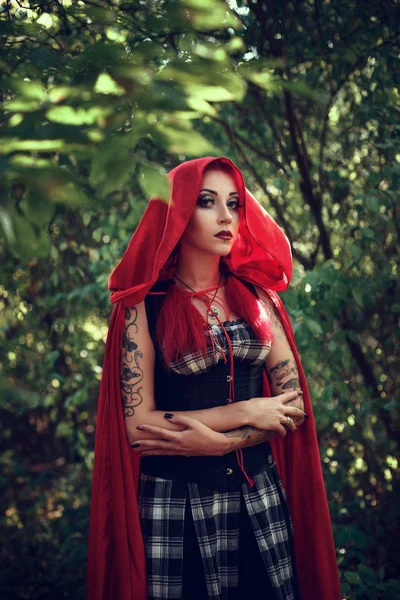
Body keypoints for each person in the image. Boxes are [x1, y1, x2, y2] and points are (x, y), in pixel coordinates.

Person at [87, 157, 341, 600]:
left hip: (258, 499)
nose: (227, 216)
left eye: (234, 203)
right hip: (173, 505)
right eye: (207, 203)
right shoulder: (141, 307)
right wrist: (244, 412)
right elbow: (137, 423)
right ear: (178, 214)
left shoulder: (259, 298)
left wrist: (221, 443)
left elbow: (293, 406)